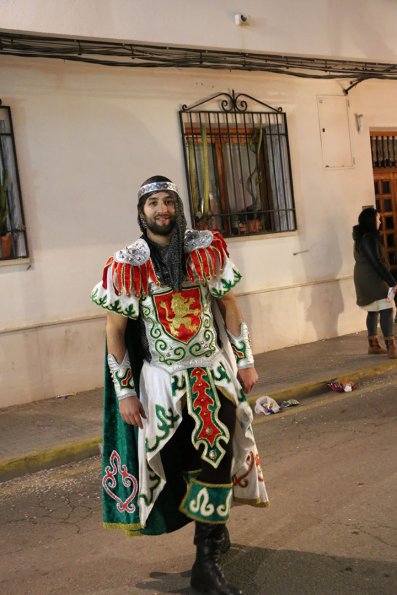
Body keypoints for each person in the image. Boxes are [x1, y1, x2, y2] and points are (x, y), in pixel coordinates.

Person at [91, 175, 269, 595]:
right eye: (153, 203)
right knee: (176, 464)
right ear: (141, 212)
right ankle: (214, 529)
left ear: (178, 207)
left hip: (213, 374)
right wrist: (126, 392)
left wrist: (245, 360)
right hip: (162, 383)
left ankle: (205, 562)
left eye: (169, 201)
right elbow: (114, 332)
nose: (162, 209)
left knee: (218, 458)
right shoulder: (127, 264)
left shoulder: (205, 250)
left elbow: (229, 304)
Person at [353, 207, 397, 358]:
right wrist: (392, 282)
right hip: (373, 279)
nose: (380, 221)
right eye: (378, 218)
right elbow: (376, 263)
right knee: (387, 308)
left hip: (364, 278)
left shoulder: (361, 237)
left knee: (373, 309)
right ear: (371, 220)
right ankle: (391, 347)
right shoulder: (368, 238)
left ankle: (373, 345)